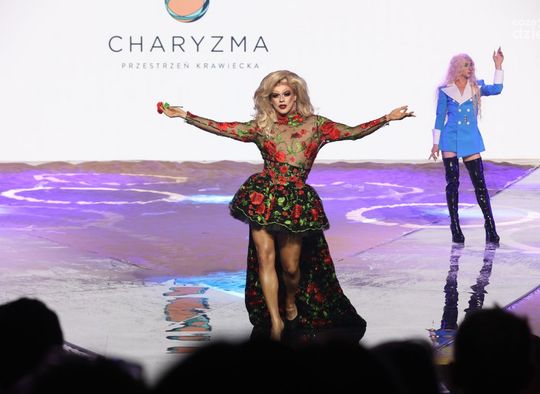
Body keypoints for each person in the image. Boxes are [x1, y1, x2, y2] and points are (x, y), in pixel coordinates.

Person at [161, 70, 413, 341]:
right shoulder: (263, 126)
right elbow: (224, 128)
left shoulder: (316, 125)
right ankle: (276, 322)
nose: (281, 100)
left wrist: (386, 118)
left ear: (296, 96)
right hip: (263, 197)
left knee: (291, 267)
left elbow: (352, 133)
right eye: (275, 95)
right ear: (268, 99)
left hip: (295, 203)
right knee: (265, 259)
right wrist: (185, 115)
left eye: (286, 94)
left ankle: (290, 302)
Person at [430, 48, 504, 244]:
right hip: (450, 138)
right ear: (456, 68)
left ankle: (490, 225)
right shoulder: (445, 90)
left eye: (471, 65)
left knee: (480, 183)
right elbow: (440, 117)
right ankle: (455, 226)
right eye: (466, 65)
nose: (470, 68)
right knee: (452, 184)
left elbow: (497, 89)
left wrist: (498, 65)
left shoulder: (477, 87)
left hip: (470, 138)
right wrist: (435, 144)